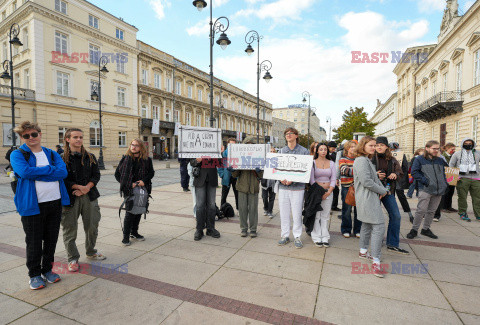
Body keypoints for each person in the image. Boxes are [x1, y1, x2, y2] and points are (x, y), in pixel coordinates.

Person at [10, 121, 70, 290]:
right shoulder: (18, 154)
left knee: (51, 240)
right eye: (26, 135)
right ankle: (34, 274)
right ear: (22, 137)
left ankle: (47, 270)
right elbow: (24, 172)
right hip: (32, 205)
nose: (31, 138)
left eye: (34, 134)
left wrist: (39, 172)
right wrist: (50, 171)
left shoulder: (51, 153)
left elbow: (63, 172)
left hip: (54, 202)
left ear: (40, 134)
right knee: (34, 242)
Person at [61, 128, 105, 272]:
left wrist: (87, 188)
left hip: (90, 196)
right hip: (70, 199)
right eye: (75, 137)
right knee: (70, 229)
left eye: (80, 137)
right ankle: (72, 258)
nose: (78, 140)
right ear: (67, 139)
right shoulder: (61, 158)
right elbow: (60, 179)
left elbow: (96, 175)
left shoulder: (90, 156)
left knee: (92, 225)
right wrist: (77, 187)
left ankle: (91, 251)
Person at [353, 136, 388, 278]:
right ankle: (376, 260)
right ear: (363, 146)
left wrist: (383, 189)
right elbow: (366, 181)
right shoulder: (361, 160)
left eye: (375, 146)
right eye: (371, 145)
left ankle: (363, 251)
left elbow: (374, 179)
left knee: (367, 225)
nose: (374, 148)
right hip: (367, 198)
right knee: (379, 226)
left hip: (368, 197)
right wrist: (382, 191)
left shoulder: (367, 160)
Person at [373, 137, 409, 255]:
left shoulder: (392, 159)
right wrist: (376, 175)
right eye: (377, 145)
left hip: (388, 190)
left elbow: (400, 172)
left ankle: (392, 243)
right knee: (373, 218)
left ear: (386, 147)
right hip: (373, 191)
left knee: (396, 215)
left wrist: (395, 174)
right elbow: (364, 173)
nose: (379, 147)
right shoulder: (370, 158)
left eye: (382, 145)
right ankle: (372, 240)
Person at [115, 139, 155, 246]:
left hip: (142, 189)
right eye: (132, 144)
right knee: (130, 212)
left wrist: (143, 181)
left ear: (141, 147)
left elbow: (151, 173)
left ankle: (134, 232)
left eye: (136, 145)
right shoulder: (126, 159)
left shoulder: (147, 160)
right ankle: (126, 237)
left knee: (139, 210)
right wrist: (127, 183)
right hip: (129, 190)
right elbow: (117, 174)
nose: (133, 147)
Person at [407, 140, 448, 239]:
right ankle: (414, 230)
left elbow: (446, 171)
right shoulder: (420, 159)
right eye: (434, 148)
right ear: (427, 148)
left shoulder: (440, 160)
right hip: (425, 189)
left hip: (439, 190)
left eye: (438, 148)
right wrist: (426, 181)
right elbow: (414, 172)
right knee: (421, 210)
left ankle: (426, 229)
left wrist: (445, 183)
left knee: (432, 211)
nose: (436, 150)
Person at [277, 128, 309, 248]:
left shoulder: (304, 151)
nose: (288, 135)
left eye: (291, 133)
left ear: (296, 136)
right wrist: (280, 178)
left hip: (298, 188)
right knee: (284, 213)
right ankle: (284, 235)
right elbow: (277, 168)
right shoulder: (281, 151)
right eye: (286, 134)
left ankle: (297, 236)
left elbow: (306, 170)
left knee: (296, 213)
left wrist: (293, 179)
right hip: (283, 187)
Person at [231, 136, 263, 238]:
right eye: (247, 146)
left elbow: (262, 176)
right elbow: (235, 175)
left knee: (253, 210)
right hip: (242, 187)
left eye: (251, 146)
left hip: (254, 187)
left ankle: (253, 229)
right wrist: (233, 170)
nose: (249, 147)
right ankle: (243, 229)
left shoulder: (259, 158)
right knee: (242, 209)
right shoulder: (240, 156)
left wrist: (259, 171)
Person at [309, 143, 336, 247]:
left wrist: (329, 191)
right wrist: (319, 192)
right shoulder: (313, 163)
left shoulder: (332, 163)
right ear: (317, 151)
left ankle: (325, 236)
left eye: (325, 149)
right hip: (316, 192)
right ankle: (316, 236)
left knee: (325, 215)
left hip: (329, 192)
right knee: (317, 215)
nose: (323, 151)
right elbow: (311, 180)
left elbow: (333, 179)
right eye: (321, 149)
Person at [190, 155, 221, 241]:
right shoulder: (196, 147)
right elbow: (191, 162)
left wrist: (220, 153)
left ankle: (210, 228)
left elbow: (220, 163)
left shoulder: (215, 146)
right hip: (200, 178)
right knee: (200, 206)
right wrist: (197, 161)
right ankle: (199, 229)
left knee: (211, 205)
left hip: (212, 178)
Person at [449, 138, 480, 222]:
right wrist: (454, 177)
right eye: (466, 143)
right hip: (462, 179)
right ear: (462, 144)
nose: (468, 144)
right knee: (462, 197)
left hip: (476, 179)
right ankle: (463, 213)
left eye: (470, 143)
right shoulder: (457, 154)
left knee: (477, 198)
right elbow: (451, 164)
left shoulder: (478, 153)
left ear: (473, 144)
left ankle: (478, 215)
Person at [339, 140, 361, 238]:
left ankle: (358, 230)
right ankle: (346, 229)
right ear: (347, 148)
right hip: (346, 187)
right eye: (351, 147)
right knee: (346, 209)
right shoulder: (342, 159)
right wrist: (359, 171)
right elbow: (345, 171)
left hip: (359, 187)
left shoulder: (359, 159)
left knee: (359, 210)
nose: (353, 148)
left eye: (355, 147)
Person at [389, 142, 414, 223]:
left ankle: (409, 214)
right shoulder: (387, 155)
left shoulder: (400, 155)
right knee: (392, 197)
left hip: (397, 179)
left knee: (401, 197)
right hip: (390, 179)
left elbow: (405, 168)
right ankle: (394, 213)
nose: (392, 150)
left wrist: (399, 177)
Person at [218, 138, 239, 212]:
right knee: (224, 195)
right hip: (226, 176)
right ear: (227, 145)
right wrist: (222, 174)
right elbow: (219, 165)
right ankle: (222, 209)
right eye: (230, 144)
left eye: (233, 144)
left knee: (237, 194)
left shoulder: (238, 153)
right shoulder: (224, 154)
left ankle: (238, 209)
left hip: (236, 176)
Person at [441, 143, 457, 213]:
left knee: (451, 191)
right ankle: (443, 207)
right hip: (446, 175)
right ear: (447, 148)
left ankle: (449, 206)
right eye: (452, 149)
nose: (453, 151)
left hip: (453, 175)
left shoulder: (454, 155)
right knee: (445, 192)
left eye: (454, 149)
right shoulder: (443, 156)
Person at [261, 147, 277, 218]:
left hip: (273, 183)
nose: (272, 152)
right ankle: (266, 208)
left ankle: (270, 211)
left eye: (273, 151)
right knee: (264, 197)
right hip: (265, 183)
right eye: (271, 151)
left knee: (272, 198)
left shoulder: (277, 161)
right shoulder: (264, 161)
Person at [327, 141, 341, 212]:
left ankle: (334, 206)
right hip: (326, 176)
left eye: (335, 148)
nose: (334, 150)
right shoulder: (325, 154)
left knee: (336, 191)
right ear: (328, 147)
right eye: (332, 148)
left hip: (333, 175)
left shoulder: (334, 154)